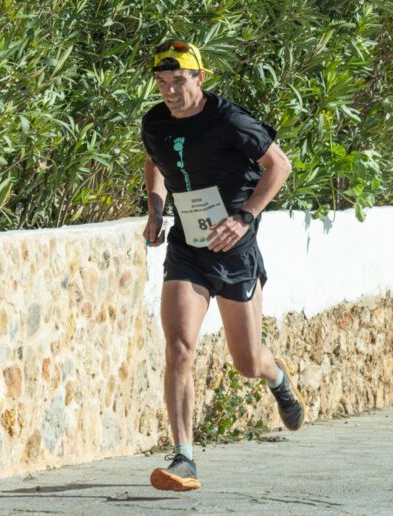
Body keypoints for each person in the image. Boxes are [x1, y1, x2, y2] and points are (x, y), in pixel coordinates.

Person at [141, 41, 306, 492]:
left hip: (235, 251)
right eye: (162, 82)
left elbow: (280, 166)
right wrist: (156, 209)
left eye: (179, 81)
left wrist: (244, 217)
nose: (170, 91)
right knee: (179, 347)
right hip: (188, 248)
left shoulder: (229, 120)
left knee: (247, 362)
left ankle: (277, 376)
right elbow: (154, 159)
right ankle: (184, 458)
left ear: (200, 78)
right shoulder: (154, 122)